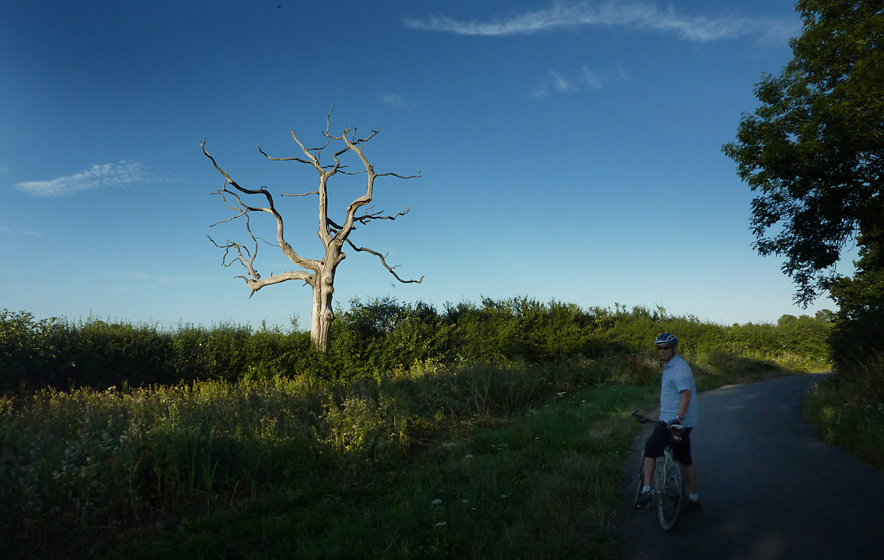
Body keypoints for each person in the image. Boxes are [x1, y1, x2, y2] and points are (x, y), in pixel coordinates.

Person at [635, 332, 701, 512]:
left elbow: (685, 394)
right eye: (659, 348)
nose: (662, 351)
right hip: (678, 421)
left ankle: (646, 491)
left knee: (650, 450)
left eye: (665, 348)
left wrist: (678, 419)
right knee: (685, 459)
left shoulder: (679, 368)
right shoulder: (672, 366)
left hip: (675, 423)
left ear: (673, 348)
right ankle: (694, 499)